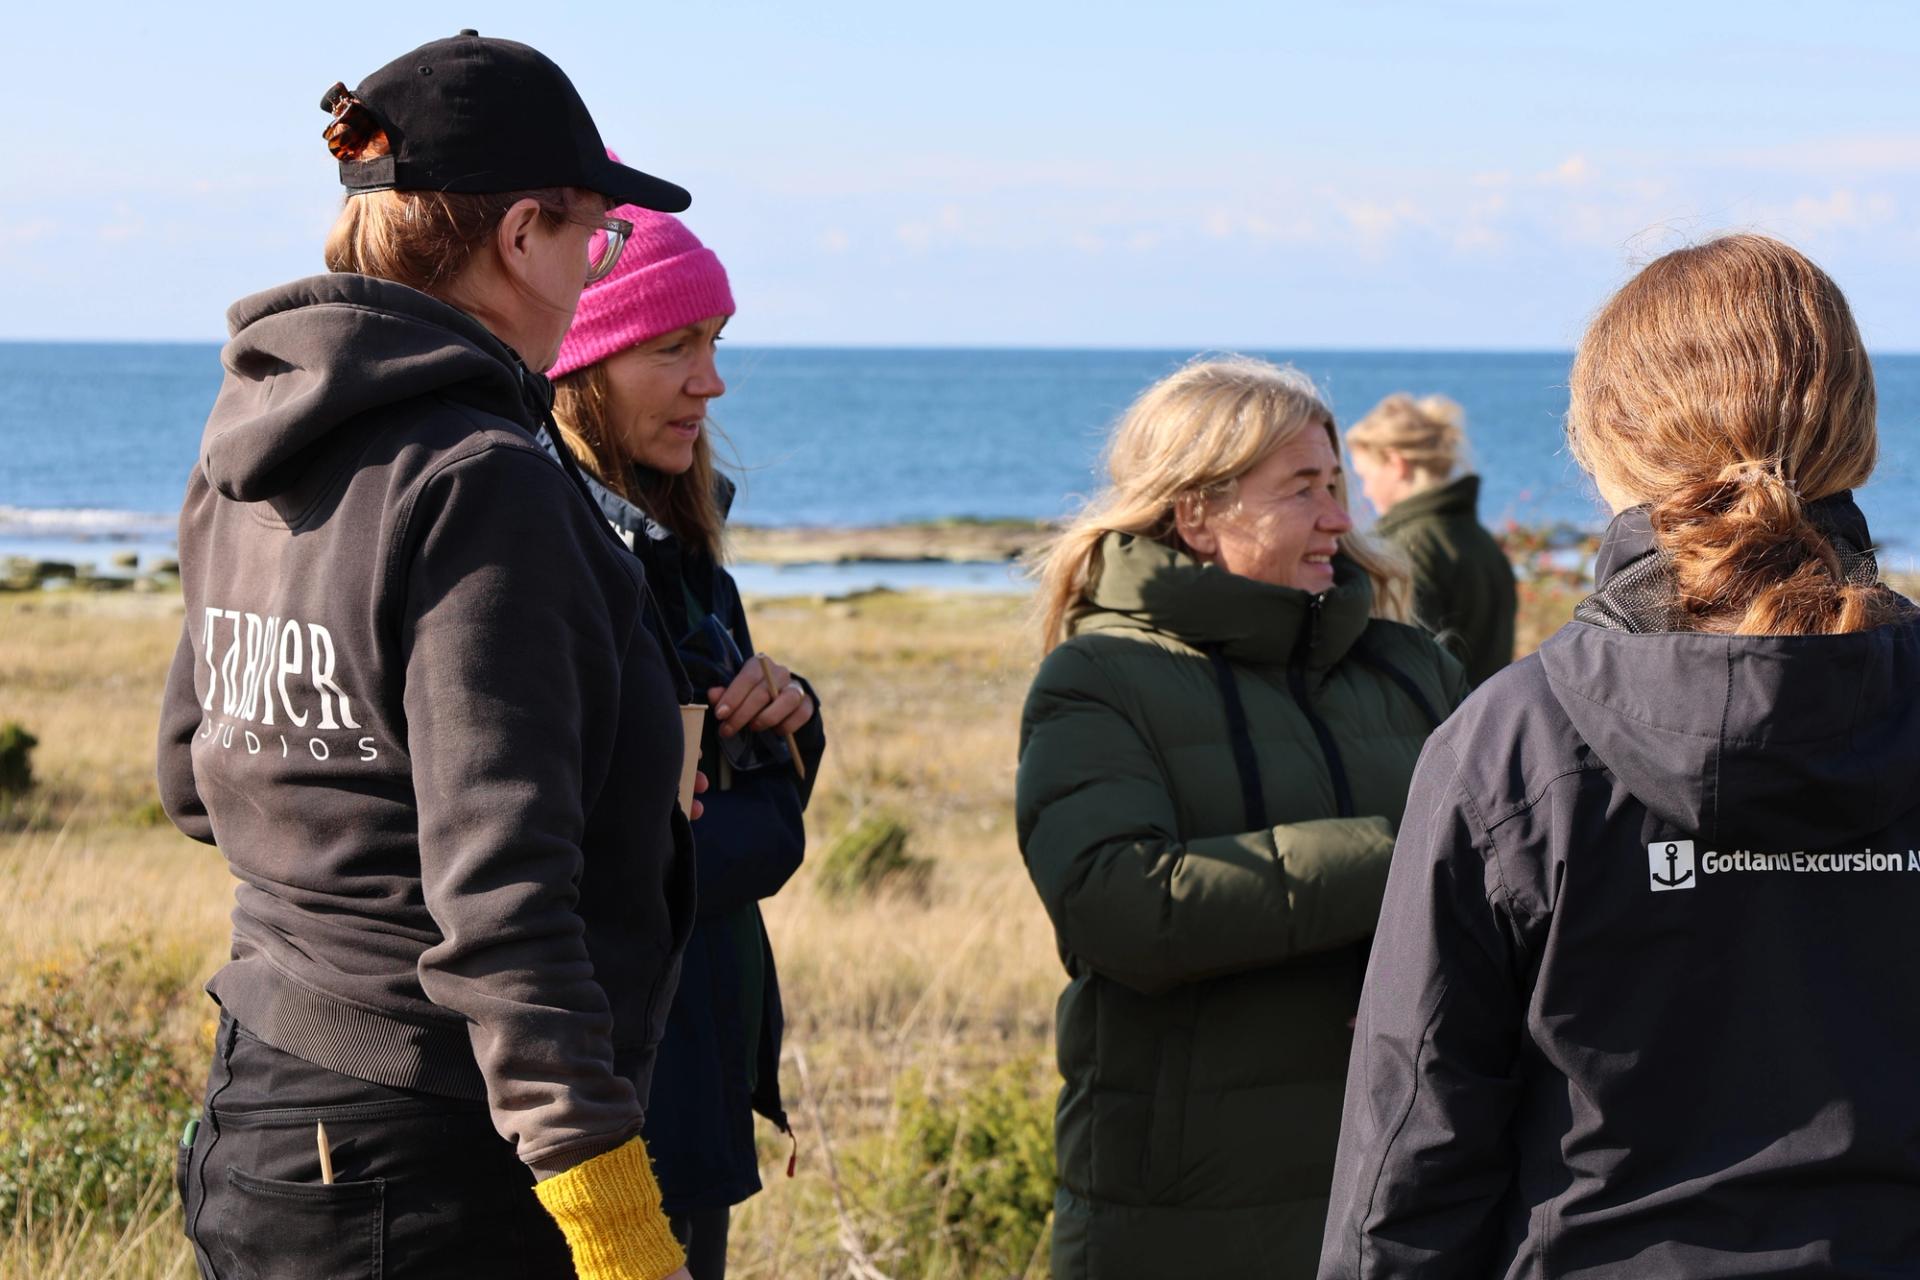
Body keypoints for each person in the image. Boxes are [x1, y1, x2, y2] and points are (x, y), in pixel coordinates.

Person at [158, 32, 702, 1280]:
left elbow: (195, 777)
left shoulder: (249, 448)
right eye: (593, 238)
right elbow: (505, 907)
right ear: (520, 235)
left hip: (263, 1110)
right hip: (437, 1161)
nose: (589, 271)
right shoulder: (482, 480)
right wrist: (621, 1235)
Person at [1319, 235, 1920, 1278]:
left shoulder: (1512, 745)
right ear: (1855, 430)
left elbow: (1412, 1154)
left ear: (1605, 445)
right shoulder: (1514, 745)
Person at [1016, 356, 1469, 1279]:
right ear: (1197, 514)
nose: (1339, 518)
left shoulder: (1412, 667)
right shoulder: (1101, 678)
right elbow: (1117, 906)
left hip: (1407, 1195)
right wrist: (1406, 859)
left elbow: (1511, 876)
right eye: (1302, 489)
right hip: (1184, 1220)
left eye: (1337, 485)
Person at [547, 204, 826, 1279]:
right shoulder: (557, 560)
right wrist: (743, 803)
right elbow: (642, 863)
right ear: (582, 362)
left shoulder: (683, 556)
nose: (711, 383)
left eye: (714, 342)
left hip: (685, 1080)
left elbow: (727, 831)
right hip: (595, 1104)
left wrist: (789, 712)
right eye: (673, 346)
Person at [1346, 394, 1515, 685]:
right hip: (1486, 708)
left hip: (1437, 712)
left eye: (1365, 476)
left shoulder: (1401, 548)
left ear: (1396, 464)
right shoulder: (1480, 539)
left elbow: (1404, 668)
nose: (1365, 491)